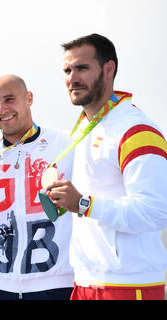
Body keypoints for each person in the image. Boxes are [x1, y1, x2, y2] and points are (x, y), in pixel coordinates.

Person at [45, 33, 167, 300]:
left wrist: (84, 204)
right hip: (86, 282)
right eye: (67, 70)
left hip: (130, 286)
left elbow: (157, 210)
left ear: (108, 68)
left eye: (82, 68)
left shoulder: (135, 129)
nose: (72, 78)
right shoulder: (87, 126)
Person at [0, 74, 75, 300]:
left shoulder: (66, 145)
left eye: (10, 99)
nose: (1, 109)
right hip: (2, 288)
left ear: (29, 98)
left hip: (59, 285)